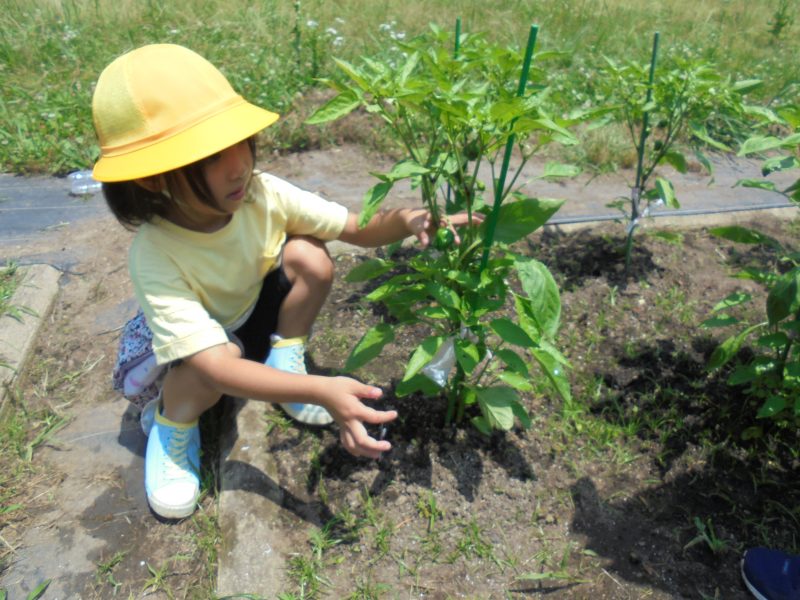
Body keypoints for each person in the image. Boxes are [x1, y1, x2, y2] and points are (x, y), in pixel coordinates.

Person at [92, 44, 476, 520]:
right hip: (200, 354)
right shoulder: (155, 253)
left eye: (241, 141)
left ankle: (284, 357)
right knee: (207, 373)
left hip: (250, 313)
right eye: (211, 157)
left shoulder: (262, 195)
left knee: (309, 254)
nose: (238, 165)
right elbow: (212, 364)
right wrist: (323, 390)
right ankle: (173, 424)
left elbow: (352, 227)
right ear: (153, 180)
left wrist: (414, 220)